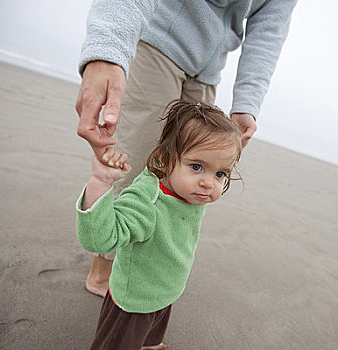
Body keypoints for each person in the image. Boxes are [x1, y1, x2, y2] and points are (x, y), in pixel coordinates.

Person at [75, 0, 298, 296]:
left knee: (185, 182)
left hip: (207, 70)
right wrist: (107, 50)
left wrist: (247, 102)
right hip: (160, 45)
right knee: (138, 166)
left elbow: (269, 30)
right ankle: (103, 272)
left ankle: (146, 267)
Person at [76, 100, 243, 349]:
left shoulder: (189, 191)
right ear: (164, 160)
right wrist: (100, 183)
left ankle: (149, 343)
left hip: (164, 288)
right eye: (197, 167)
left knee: (153, 326)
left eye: (220, 174)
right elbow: (99, 239)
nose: (209, 183)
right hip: (134, 301)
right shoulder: (148, 201)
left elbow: (214, 157)